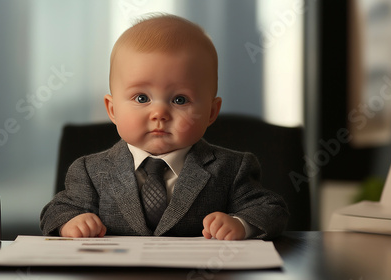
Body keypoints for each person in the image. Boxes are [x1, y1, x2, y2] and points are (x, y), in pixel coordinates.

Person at [40, 14, 289, 240]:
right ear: (112, 109)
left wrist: (240, 224)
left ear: (211, 112)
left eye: (180, 100)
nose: (159, 113)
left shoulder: (231, 169)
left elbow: (271, 209)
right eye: (141, 98)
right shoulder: (90, 171)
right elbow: (55, 210)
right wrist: (71, 222)